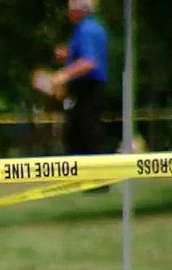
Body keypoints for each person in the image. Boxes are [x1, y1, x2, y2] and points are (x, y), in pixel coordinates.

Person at [52, 0, 108, 157]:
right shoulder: (95, 28)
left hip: (87, 88)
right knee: (87, 134)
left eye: (70, 8)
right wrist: (69, 54)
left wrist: (63, 75)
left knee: (81, 137)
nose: (68, 13)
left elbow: (89, 62)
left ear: (79, 10)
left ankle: (90, 178)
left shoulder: (85, 30)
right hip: (94, 88)